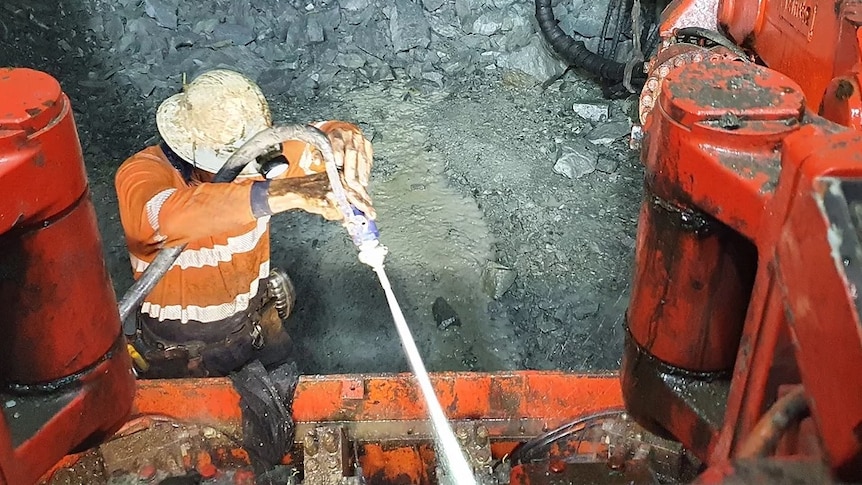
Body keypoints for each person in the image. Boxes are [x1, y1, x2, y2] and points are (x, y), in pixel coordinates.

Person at [115, 68, 375, 378]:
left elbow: (318, 138)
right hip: (181, 354)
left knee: (287, 389)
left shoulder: (261, 163)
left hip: (255, 327)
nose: (252, 171)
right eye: (241, 161)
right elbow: (167, 218)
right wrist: (285, 191)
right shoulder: (142, 173)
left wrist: (342, 135)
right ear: (194, 151)